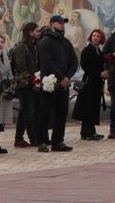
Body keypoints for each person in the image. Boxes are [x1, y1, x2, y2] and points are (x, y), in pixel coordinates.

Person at [36, 14, 78, 152]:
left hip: (63, 84)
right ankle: (42, 141)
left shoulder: (66, 42)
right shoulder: (45, 41)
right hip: (50, 82)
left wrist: (68, 77)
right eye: (60, 23)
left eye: (63, 23)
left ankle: (58, 141)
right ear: (52, 24)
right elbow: (47, 63)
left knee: (61, 112)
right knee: (45, 112)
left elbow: (74, 61)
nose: (62, 25)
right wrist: (62, 78)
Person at [72, 28, 107, 141]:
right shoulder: (87, 50)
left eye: (97, 36)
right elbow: (85, 65)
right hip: (89, 82)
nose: (95, 38)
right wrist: (99, 73)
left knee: (93, 107)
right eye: (93, 36)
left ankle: (89, 132)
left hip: (96, 83)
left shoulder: (99, 51)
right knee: (88, 107)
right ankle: (87, 132)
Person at [9, 22, 40, 149]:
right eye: (37, 31)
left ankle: (19, 139)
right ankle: (34, 139)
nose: (39, 33)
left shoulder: (34, 46)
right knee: (28, 113)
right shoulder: (21, 47)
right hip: (24, 85)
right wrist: (33, 81)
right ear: (30, 32)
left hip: (32, 84)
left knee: (23, 112)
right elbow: (22, 68)